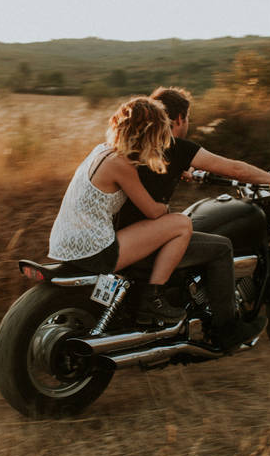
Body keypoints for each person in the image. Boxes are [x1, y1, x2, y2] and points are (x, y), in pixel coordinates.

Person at [115, 87, 270, 350]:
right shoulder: (176, 147)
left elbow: (155, 171)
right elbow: (234, 168)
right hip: (142, 243)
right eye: (187, 119)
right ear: (179, 119)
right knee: (221, 247)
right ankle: (227, 330)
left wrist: (183, 170)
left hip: (122, 236)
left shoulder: (136, 145)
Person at [48, 96, 193, 322]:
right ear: (148, 133)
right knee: (182, 224)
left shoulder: (102, 151)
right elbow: (153, 212)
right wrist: (166, 203)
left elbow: (142, 164)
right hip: (95, 251)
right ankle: (151, 299)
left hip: (64, 244)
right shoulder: (121, 165)